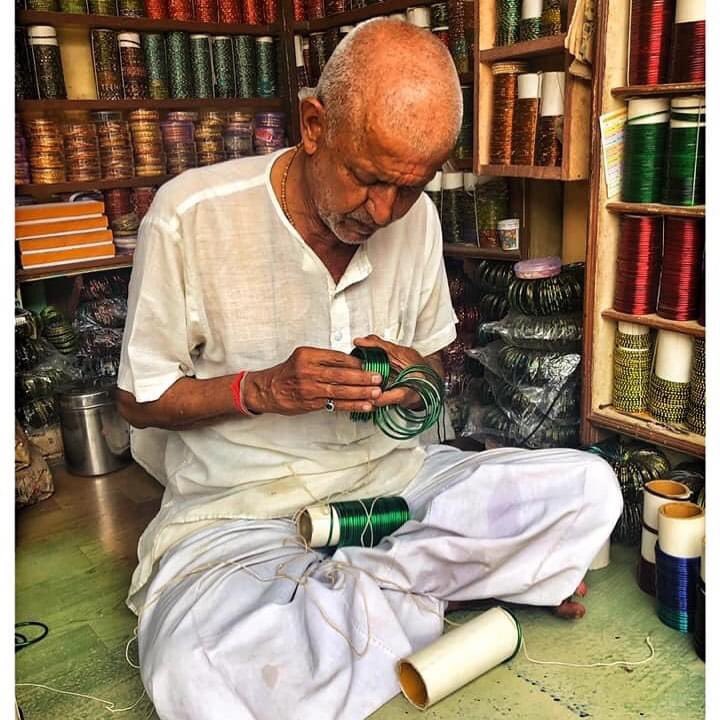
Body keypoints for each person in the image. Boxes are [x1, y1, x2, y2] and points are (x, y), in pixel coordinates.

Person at [116, 18, 622, 720]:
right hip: (242, 512)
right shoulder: (191, 215)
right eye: (369, 179)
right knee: (196, 676)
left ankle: (359, 595)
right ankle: (413, 589)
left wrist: (418, 375)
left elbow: (437, 371)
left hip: (395, 489)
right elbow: (139, 399)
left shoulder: (414, 222)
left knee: (588, 488)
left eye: (411, 188)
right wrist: (261, 389)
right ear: (315, 124)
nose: (384, 212)